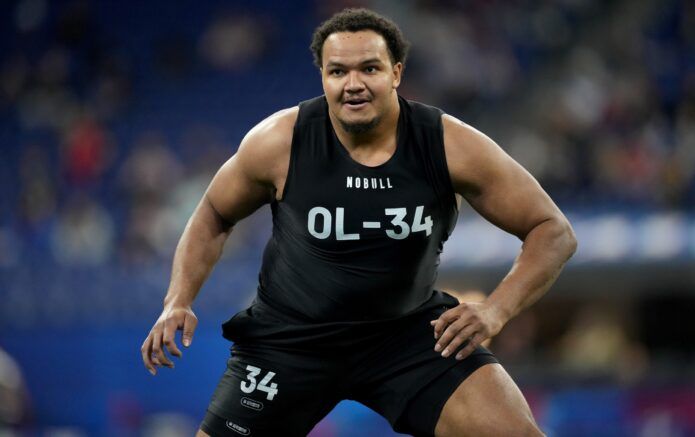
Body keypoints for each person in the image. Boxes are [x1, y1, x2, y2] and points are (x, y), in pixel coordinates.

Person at [141, 8, 577, 437]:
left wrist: (495, 310)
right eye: (338, 72)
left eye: (369, 68)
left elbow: (551, 230)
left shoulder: (447, 144)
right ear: (323, 79)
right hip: (291, 341)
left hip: (408, 337)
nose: (353, 85)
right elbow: (213, 213)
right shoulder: (278, 141)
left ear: (396, 73)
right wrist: (177, 300)